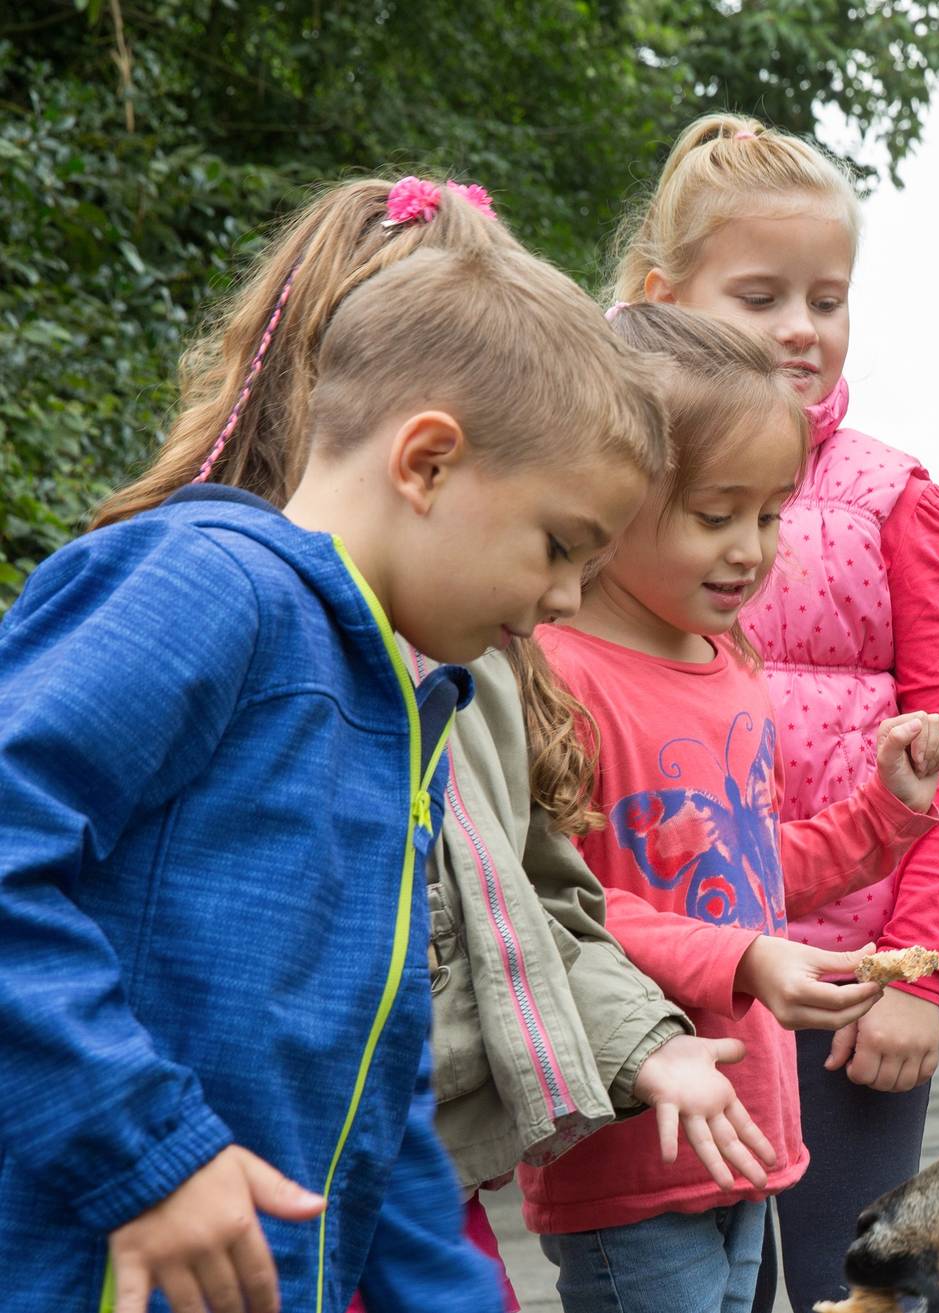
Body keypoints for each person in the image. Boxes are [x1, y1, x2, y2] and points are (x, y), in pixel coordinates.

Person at [97, 175, 778, 1312]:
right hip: (132, 1233)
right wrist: (145, 1141)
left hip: (322, 1221)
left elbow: (372, 1059)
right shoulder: (193, 587)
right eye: (561, 544)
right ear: (425, 457)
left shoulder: (411, 691)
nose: (570, 599)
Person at [609, 113, 939, 1311]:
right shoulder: (600, 491)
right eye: (760, 294)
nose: (801, 329)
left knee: (851, 1276)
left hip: (851, 978)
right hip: (651, 975)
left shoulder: (896, 498)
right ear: (665, 296)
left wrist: (920, 975)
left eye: (828, 299)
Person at [523, 302, 939, 1313]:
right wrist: (747, 960)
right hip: (632, 1141)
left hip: (748, 1127)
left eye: (768, 516)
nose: (751, 550)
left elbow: (749, 874)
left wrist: (885, 814)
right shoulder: (557, 672)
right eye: (714, 515)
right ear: (610, 498)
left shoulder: (729, 668)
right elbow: (562, 908)